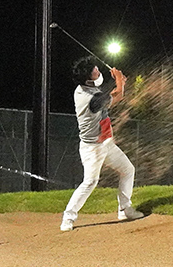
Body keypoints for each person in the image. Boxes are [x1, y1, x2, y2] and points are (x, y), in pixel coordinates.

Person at [60, 56, 144, 231]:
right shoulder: (91, 98)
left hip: (106, 143)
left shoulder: (83, 89)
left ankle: (124, 209)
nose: (98, 71)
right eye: (95, 71)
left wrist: (119, 84)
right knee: (90, 182)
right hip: (93, 149)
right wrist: (119, 81)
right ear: (88, 79)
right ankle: (68, 217)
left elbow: (109, 96)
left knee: (128, 170)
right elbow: (118, 96)